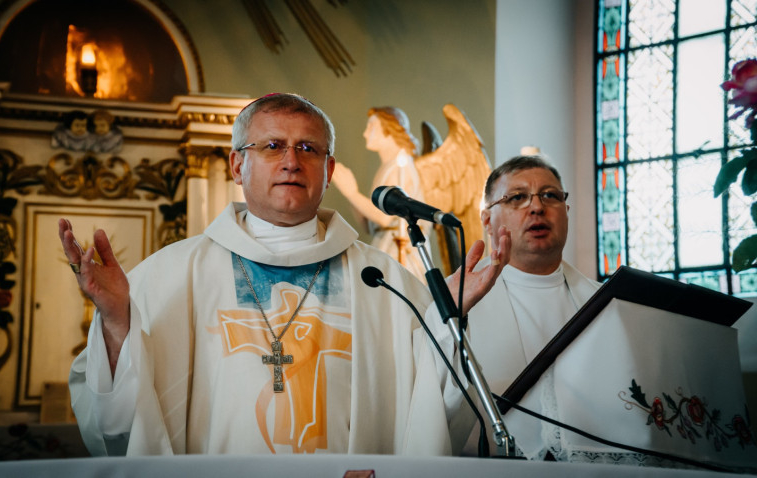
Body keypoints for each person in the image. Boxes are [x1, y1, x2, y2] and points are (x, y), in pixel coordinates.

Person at [60, 93, 510, 456]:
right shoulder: (172, 273)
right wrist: (116, 323)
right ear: (238, 165)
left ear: (329, 171)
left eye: (308, 149)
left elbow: (433, 409)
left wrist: (445, 322)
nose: (291, 161)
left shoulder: (384, 280)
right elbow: (113, 424)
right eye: (273, 146)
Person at [436, 154, 600, 459]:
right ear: (487, 221)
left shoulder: (603, 302)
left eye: (550, 196)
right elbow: (429, 404)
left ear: (566, 212)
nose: (537, 207)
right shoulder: (453, 301)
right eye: (517, 198)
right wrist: (450, 319)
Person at [331, 107, 429, 279]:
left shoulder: (401, 165)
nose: (365, 134)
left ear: (389, 130)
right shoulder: (387, 167)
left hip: (400, 252)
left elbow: (384, 218)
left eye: (371, 127)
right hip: (385, 245)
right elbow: (371, 226)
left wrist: (352, 193)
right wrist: (351, 195)